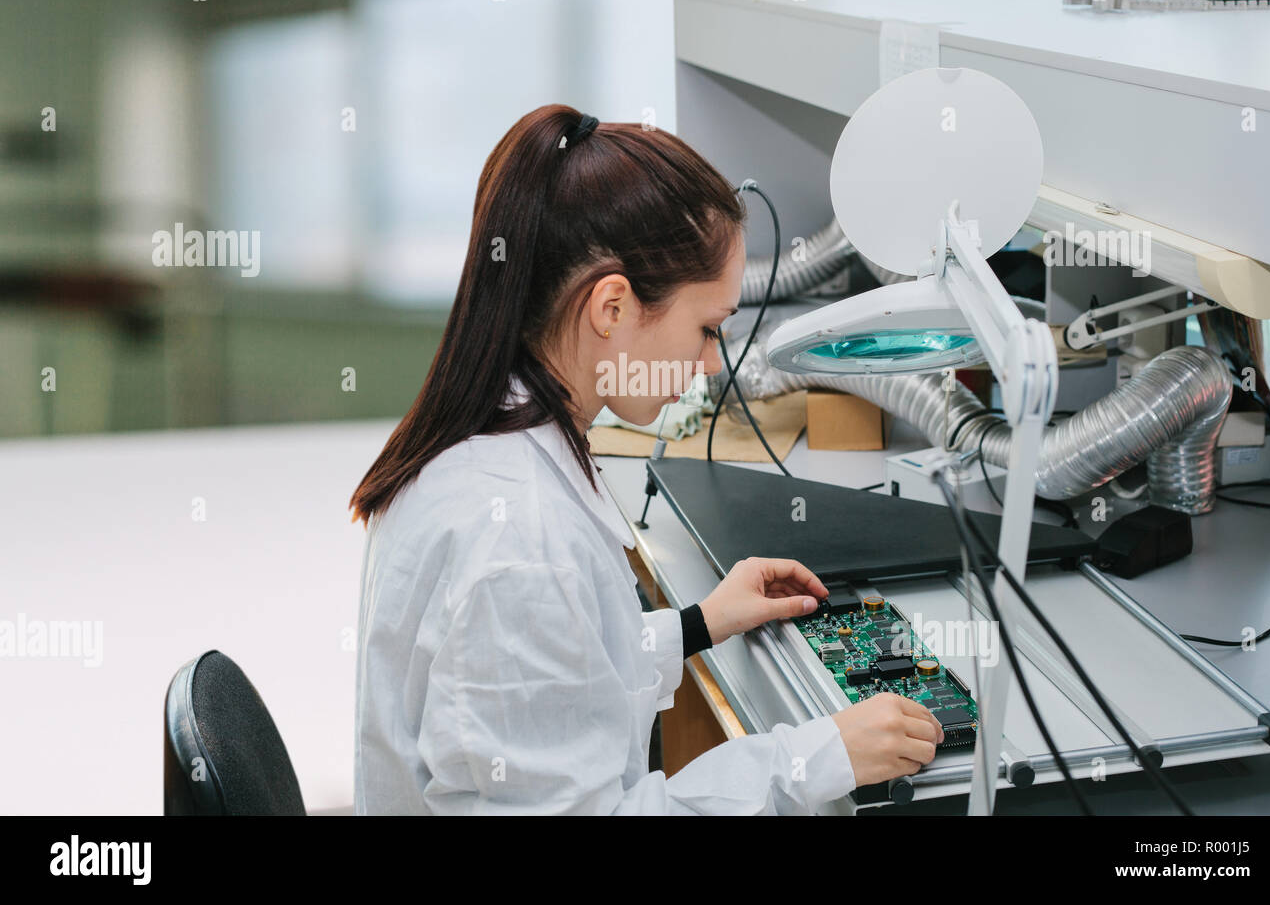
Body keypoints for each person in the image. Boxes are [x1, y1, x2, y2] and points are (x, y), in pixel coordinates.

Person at [349, 105, 942, 814]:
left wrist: (698, 624)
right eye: (706, 328)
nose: (712, 360)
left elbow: (553, 676)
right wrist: (816, 759)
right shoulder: (520, 541)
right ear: (612, 307)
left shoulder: (488, 443)